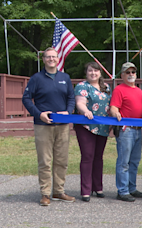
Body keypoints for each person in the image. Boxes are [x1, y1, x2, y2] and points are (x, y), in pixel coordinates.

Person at [22, 47, 76, 206]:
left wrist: (68, 111)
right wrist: (39, 114)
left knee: (62, 159)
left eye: (54, 56)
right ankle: (45, 194)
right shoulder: (36, 78)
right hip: (43, 125)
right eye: (48, 57)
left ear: (58, 59)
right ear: (43, 59)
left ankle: (58, 191)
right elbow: (26, 99)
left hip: (63, 125)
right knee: (45, 161)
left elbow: (71, 98)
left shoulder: (65, 77)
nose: (51, 59)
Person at [74, 62, 111, 202]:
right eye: (90, 71)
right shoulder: (82, 86)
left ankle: (98, 187)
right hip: (86, 126)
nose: (93, 73)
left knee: (98, 157)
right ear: (86, 72)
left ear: (100, 73)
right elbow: (80, 103)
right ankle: (85, 190)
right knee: (87, 156)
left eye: (96, 71)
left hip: (103, 127)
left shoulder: (106, 87)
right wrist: (86, 111)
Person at [110, 62, 142, 202]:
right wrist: (115, 113)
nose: (131, 74)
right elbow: (114, 107)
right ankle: (122, 190)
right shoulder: (119, 89)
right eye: (128, 72)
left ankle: (132, 187)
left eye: (133, 72)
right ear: (122, 75)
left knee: (134, 161)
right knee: (124, 162)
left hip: (138, 130)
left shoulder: (139, 91)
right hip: (126, 130)